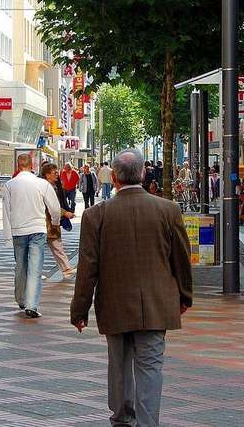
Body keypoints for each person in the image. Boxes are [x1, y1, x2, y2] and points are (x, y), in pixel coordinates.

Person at [71, 148, 193, 427]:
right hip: (156, 304)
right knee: (150, 367)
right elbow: (181, 259)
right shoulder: (167, 209)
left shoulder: (95, 215)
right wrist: (185, 296)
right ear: (142, 174)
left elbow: (87, 268)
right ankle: (148, 422)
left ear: (113, 178)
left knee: (119, 364)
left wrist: (79, 310)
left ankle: (123, 418)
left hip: (113, 303)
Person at [0, 153, 62, 318]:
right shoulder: (41, 184)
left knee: (20, 266)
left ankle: (21, 298)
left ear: (17, 165)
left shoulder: (9, 185)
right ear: (32, 164)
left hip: (18, 231)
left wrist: (7, 236)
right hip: (37, 230)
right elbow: (55, 208)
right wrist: (55, 222)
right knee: (35, 268)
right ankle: (31, 305)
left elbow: (6, 212)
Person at [41, 162, 77, 279]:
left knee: (56, 245)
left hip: (49, 222)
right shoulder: (46, 187)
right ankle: (66, 269)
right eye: (54, 173)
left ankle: (66, 269)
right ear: (47, 175)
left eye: (57, 172)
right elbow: (52, 206)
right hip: (46, 222)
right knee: (42, 248)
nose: (57, 175)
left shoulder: (53, 186)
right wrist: (65, 213)